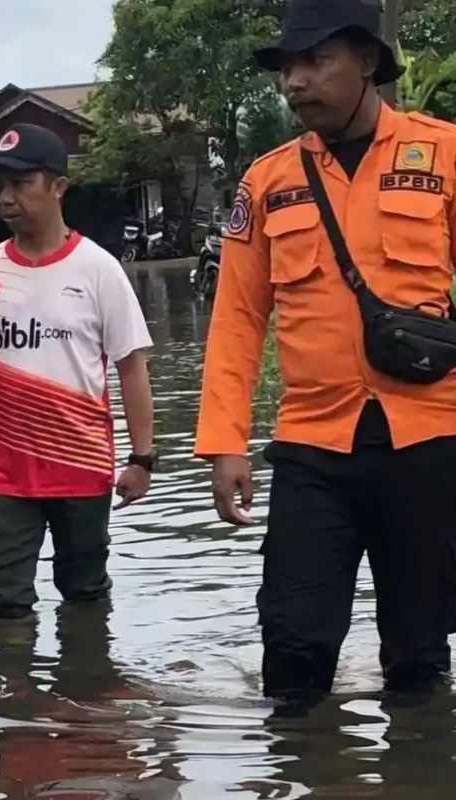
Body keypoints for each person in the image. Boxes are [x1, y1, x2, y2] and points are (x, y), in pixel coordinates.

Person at [196, 0, 456, 706]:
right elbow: (238, 319)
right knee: (294, 646)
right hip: (314, 445)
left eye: (316, 61)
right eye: (287, 67)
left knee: (420, 655)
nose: (295, 82)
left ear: (367, 62)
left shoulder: (442, 154)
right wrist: (224, 442)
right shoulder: (267, 181)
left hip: (429, 439)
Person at [0, 122, 156, 620]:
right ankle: (12, 695)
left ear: (58, 186)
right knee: (4, 601)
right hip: (3, 474)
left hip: (81, 467)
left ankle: (89, 686)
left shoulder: (98, 270)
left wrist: (142, 458)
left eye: (21, 184)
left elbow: (131, 367)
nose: (7, 199)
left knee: (84, 594)